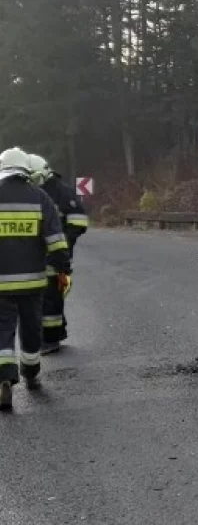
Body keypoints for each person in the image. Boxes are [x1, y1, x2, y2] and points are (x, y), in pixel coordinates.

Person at [0, 147, 71, 411]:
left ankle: (4, 379)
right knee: (31, 327)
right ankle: (30, 371)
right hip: (32, 282)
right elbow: (55, 240)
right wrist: (63, 268)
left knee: (2, 329)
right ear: (25, 170)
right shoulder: (40, 197)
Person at [27, 154, 88, 353]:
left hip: (56, 253)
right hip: (35, 254)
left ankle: (51, 340)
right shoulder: (31, 191)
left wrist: (63, 243)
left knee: (52, 295)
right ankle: (56, 333)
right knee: (45, 297)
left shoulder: (63, 192)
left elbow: (78, 221)